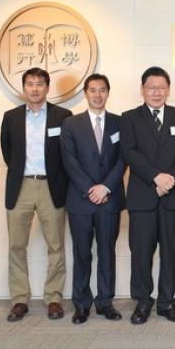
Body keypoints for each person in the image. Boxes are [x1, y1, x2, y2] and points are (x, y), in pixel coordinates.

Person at [120, 66, 175, 324]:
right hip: (143, 197)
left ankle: (166, 302)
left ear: (169, 90)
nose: (156, 92)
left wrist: (169, 179)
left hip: (172, 197)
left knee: (171, 251)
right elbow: (129, 153)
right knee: (141, 252)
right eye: (151, 87)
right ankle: (142, 301)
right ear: (142, 89)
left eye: (161, 87)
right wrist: (156, 177)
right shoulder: (128, 118)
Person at [0, 67, 72, 322]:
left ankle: (53, 298)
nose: (34, 88)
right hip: (21, 186)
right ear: (24, 88)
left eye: (39, 83)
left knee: (56, 245)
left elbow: (67, 153)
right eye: (30, 83)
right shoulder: (11, 117)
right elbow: (8, 153)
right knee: (16, 245)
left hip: (52, 187)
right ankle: (20, 300)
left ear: (47, 87)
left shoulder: (63, 116)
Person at [60, 74, 126, 324]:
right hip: (81, 200)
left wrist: (106, 187)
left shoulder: (120, 123)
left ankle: (105, 302)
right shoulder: (71, 124)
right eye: (93, 90)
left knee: (107, 252)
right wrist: (90, 188)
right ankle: (82, 304)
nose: (97, 95)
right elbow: (69, 161)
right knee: (82, 253)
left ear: (108, 93)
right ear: (85, 94)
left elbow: (123, 159)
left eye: (102, 90)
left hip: (110, 199)